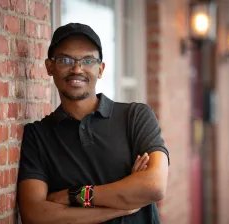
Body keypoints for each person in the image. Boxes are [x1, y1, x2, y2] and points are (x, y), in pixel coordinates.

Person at [17, 23, 170, 224]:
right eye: (65, 59)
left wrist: (74, 195)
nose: (77, 69)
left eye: (88, 60)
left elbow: (154, 185)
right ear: (49, 67)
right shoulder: (37, 136)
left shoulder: (135, 116)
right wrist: (124, 205)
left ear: (101, 69)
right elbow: (35, 215)